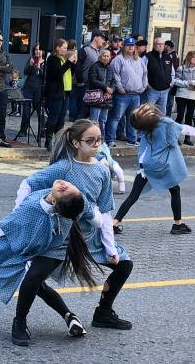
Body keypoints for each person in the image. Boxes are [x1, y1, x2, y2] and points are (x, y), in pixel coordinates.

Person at [0, 178, 97, 346]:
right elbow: (95, 218)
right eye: (70, 187)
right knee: (35, 283)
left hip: (43, 244)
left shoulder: (33, 207)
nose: (65, 185)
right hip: (53, 244)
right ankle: (69, 317)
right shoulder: (77, 202)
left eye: (65, 191)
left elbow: (6, 226)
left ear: (56, 201)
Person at [16, 120, 135, 330]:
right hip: (61, 238)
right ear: (75, 143)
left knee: (124, 264)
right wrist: (20, 213)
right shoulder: (64, 167)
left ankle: (103, 313)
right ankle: (20, 322)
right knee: (34, 276)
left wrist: (110, 247)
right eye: (90, 140)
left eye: (100, 139)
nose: (97, 144)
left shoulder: (102, 171)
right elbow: (28, 183)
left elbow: (105, 211)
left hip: (89, 238)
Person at [112, 103, 195, 235]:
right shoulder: (165, 123)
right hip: (160, 165)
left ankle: (114, 223)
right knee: (175, 190)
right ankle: (178, 225)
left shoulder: (146, 126)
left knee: (134, 195)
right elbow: (183, 129)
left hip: (144, 164)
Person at [107, 37, 147, 146]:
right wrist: (120, 88)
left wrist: (143, 87)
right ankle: (110, 139)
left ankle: (132, 140)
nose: (130, 47)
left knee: (133, 119)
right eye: (128, 45)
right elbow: (115, 75)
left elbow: (144, 74)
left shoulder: (139, 60)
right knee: (116, 117)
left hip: (136, 94)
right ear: (124, 47)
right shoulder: (118, 59)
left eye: (132, 45)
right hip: (123, 95)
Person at [83, 49, 116, 136]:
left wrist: (111, 90)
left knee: (103, 120)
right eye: (104, 56)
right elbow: (93, 80)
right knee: (94, 121)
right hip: (96, 97)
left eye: (108, 56)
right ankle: (93, 138)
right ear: (100, 57)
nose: (106, 58)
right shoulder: (94, 66)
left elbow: (113, 81)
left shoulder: (110, 68)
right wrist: (106, 88)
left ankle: (102, 140)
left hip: (107, 97)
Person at [144, 37, 174, 116]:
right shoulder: (148, 56)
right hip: (152, 90)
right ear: (154, 45)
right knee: (148, 113)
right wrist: (147, 85)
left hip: (165, 90)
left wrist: (171, 82)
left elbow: (172, 72)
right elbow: (142, 72)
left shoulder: (168, 57)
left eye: (162, 44)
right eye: (158, 44)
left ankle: (159, 128)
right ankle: (147, 128)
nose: (161, 46)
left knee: (162, 114)